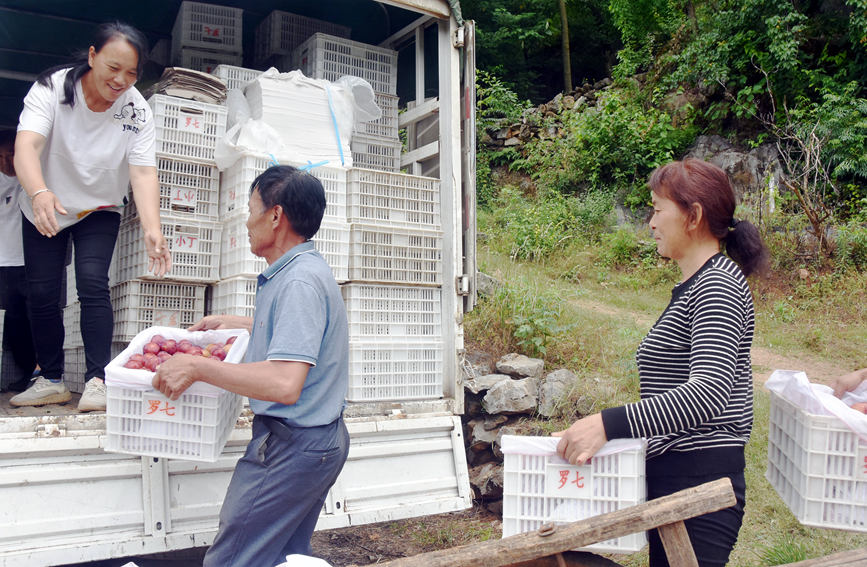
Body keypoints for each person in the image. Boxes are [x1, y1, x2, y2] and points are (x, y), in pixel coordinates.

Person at [553, 159, 768, 567]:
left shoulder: (717, 286)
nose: (650, 222)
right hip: (675, 474)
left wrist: (607, 424)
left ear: (694, 216)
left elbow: (708, 392)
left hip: (701, 483)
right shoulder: (695, 285)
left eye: (657, 208)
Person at [152, 165, 350, 567]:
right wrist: (241, 323)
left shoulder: (298, 283)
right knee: (282, 558)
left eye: (250, 209)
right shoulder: (297, 271)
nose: (246, 221)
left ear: (275, 216)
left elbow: (284, 383)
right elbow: (301, 334)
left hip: (294, 447)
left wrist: (198, 367)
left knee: (231, 560)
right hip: (313, 442)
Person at [10, 22, 171, 411]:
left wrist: (154, 229)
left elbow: (143, 172)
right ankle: (50, 379)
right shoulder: (52, 89)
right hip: (45, 204)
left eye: (131, 73)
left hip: (99, 206)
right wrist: (39, 192)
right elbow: (26, 147)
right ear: (92, 55)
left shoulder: (137, 110)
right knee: (43, 294)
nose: (121, 80)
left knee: (93, 283)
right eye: (113, 67)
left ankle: (98, 380)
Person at [0, 130, 38, 393]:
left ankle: (34, 375)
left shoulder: (32, 179)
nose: (5, 162)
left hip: (29, 261)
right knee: (11, 323)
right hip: (2, 262)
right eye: (0, 156)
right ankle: (22, 373)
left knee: (31, 319)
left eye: (11, 155)